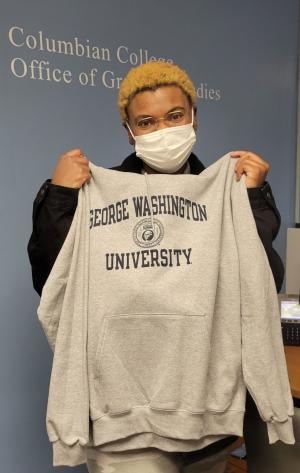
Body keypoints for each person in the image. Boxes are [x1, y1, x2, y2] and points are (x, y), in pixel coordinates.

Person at [27, 61, 285, 473]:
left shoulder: (227, 192)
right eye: (146, 122)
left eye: (175, 116)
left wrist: (251, 199)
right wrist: (60, 197)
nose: (163, 130)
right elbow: (55, 284)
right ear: (129, 132)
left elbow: (261, 286)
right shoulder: (94, 193)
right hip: (123, 424)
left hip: (206, 418)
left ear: (194, 118)